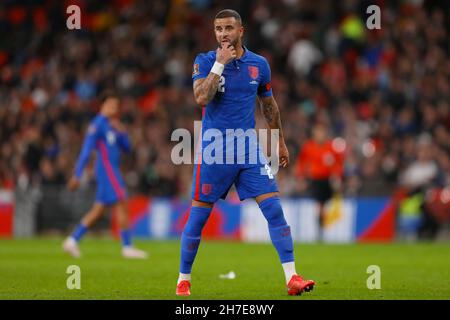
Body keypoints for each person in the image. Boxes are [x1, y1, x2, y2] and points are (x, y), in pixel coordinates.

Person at [176, 9, 314, 296]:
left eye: (228, 28)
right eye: (218, 29)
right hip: (215, 151)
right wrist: (219, 64)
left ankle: (292, 277)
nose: (223, 34)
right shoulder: (204, 61)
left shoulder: (259, 64)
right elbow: (201, 97)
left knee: (274, 209)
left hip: (248, 149)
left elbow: (268, 104)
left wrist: (280, 140)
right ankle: (183, 279)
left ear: (242, 30)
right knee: (199, 218)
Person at [62, 91, 147, 259]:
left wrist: (122, 132)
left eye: (116, 106)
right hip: (107, 170)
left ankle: (72, 240)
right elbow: (86, 151)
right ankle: (127, 246)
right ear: (102, 106)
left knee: (99, 209)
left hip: (112, 169)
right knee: (122, 201)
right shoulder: (97, 125)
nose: (114, 108)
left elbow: (127, 148)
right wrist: (77, 174)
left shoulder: (112, 125)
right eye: (110, 105)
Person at [295, 123, 343, 241]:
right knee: (318, 204)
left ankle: (324, 228)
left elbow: (337, 164)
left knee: (327, 204)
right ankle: (319, 229)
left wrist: (336, 176)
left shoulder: (331, 147)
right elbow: (301, 163)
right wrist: (301, 177)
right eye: (317, 132)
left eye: (322, 132)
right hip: (314, 180)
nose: (320, 135)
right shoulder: (308, 147)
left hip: (327, 180)